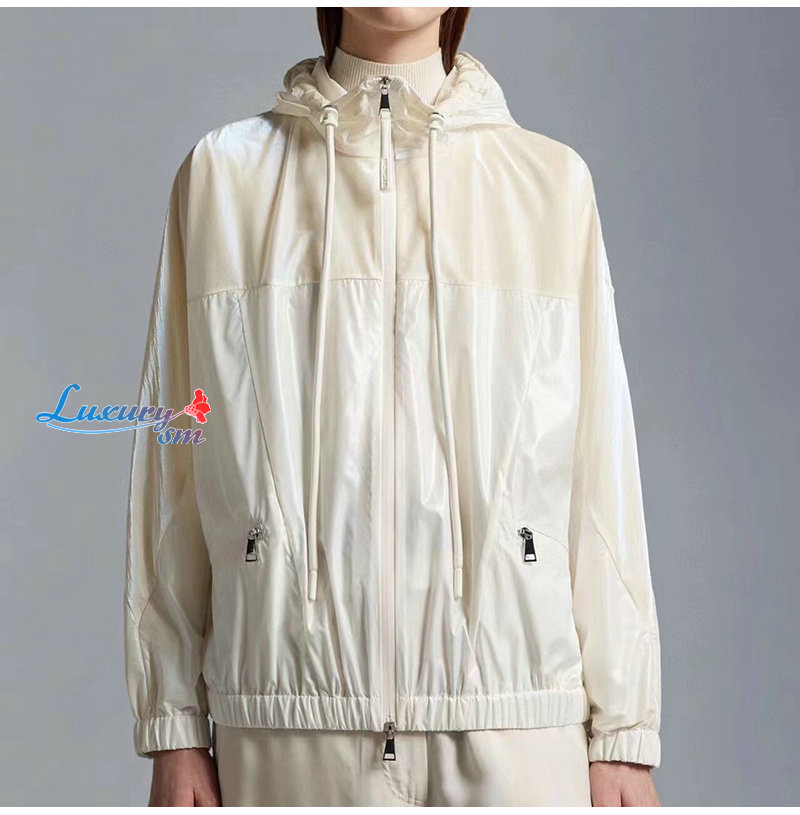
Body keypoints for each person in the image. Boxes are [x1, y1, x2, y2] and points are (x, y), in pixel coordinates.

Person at [125, 7, 662, 806]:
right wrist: (171, 721)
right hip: (283, 727)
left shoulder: (550, 184)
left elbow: (599, 473)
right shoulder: (222, 179)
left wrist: (624, 732)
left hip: (516, 724)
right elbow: (173, 468)